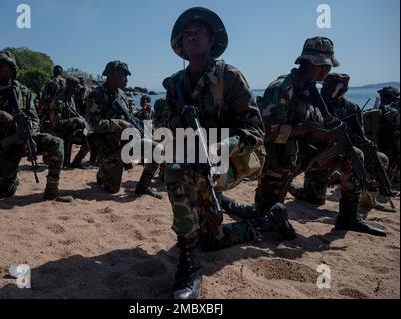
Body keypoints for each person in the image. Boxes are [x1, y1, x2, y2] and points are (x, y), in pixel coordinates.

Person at [164, 7, 296, 299]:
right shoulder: (175, 84)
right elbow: (164, 122)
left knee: (176, 172)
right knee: (211, 240)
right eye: (187, 31)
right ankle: (265, 219)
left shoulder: (230, 77)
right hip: (195, 158)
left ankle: (188, 267)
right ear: (180, 43)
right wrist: (176, 121)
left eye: (199, 30)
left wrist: (221, 146)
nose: (192, 33)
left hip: (236, 157)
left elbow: (255, 131)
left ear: (212, 40)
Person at [255, 37, 386, 238]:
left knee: (354, 155)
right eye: (327, 66)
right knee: (266, 216)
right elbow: (268, 132)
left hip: (306, 154)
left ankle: (348, 217)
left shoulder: (310, 88)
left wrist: (329, 134)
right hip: (278, 160)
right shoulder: (282, 88)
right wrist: (307, 128)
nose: (329, 71)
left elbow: (316, 123)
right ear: (317, 64)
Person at [0, 51, 73, 202]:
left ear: (12, 68)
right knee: (5, 192)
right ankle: (8, 180)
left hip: (23, 140)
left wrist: (31, 138)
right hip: (1, 146)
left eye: (0, 66)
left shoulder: (24, 92)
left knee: (56, 143)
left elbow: (35, 120)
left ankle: (52, 191)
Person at [288, 73, 395, 212]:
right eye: (324, 87)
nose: (324, 91)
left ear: (340, 91)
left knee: (378, 157)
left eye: (328, 88)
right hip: (318, 154)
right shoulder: (313, 104)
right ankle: (298, 189)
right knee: (314, 200)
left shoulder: (352, 109)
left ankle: (368, 198)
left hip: (344, 151)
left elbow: (359, 136)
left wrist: (366, 143)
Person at [85, 60, 162, 198]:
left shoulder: (121, 95)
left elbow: (129, 116)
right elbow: (93, 125)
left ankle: (142, 187)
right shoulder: (95, 96)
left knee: (157, 150)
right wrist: (118, 123)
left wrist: (142, 112)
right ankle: (103, 170)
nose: (126, 80)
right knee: (113, 190)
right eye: (123, 76)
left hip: (127, 141)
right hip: (109, 146)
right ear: (112, 76)